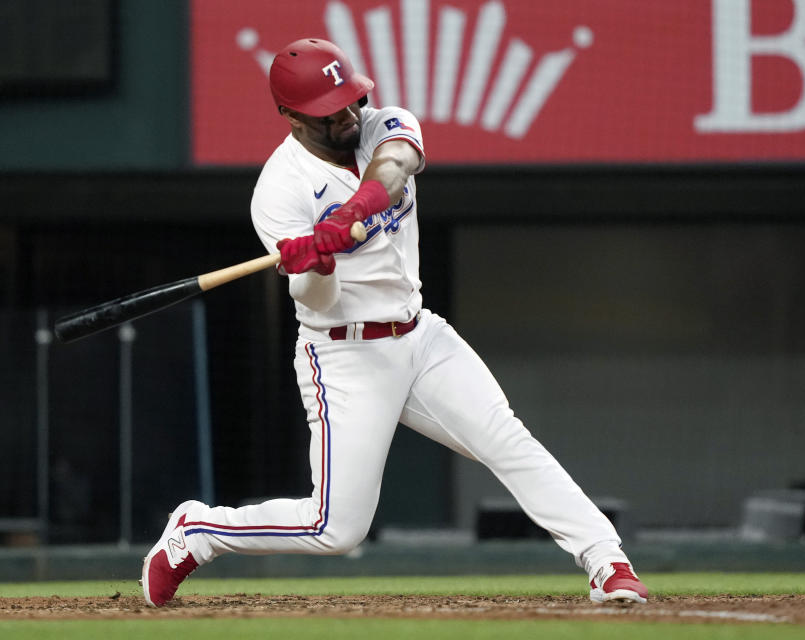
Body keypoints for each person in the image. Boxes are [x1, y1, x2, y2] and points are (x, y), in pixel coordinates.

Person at [141, 37, 647, 607]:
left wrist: (352, 212)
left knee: (506, 440)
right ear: (289, 115)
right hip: (342, 355)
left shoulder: (385, 124)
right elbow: (317, 300)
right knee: (336, 529)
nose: (349, 117)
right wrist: (315, 262)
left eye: (352, 100)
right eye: (331, 113)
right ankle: (199, 531)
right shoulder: (277, 192)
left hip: (419, 334)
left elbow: (395, 167)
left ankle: (607, 561)